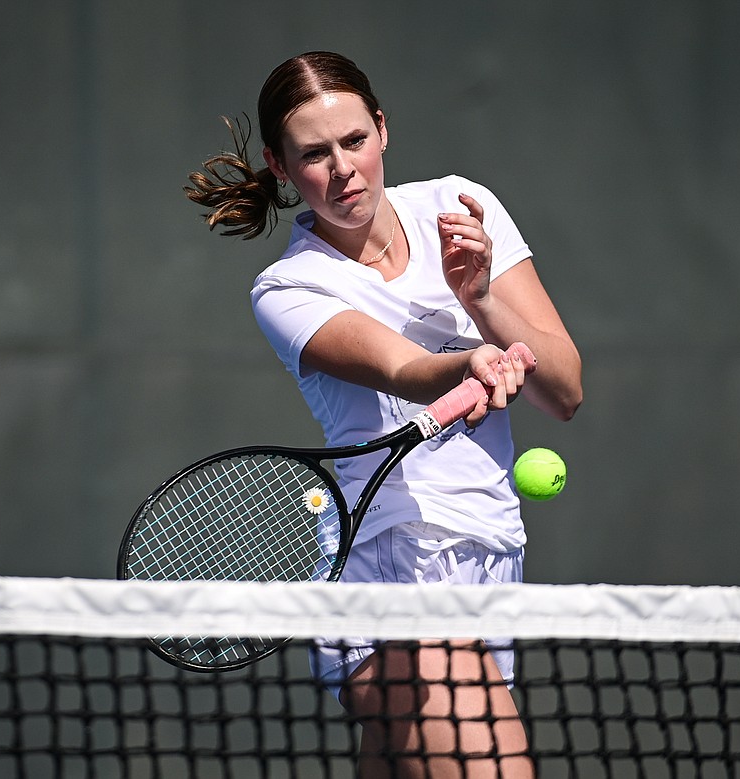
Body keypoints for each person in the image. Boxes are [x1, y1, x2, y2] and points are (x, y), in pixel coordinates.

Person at [185, 51, 582, 778]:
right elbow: (400, 366)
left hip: (491, 556)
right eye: (313, 154)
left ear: (383, 129)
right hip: (388, 573)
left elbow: (565, 390)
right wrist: (465, 362)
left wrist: (484, 302)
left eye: (354, 141)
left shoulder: (463, 208)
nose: (342, 169)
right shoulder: (288, 287)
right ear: (278, 164)